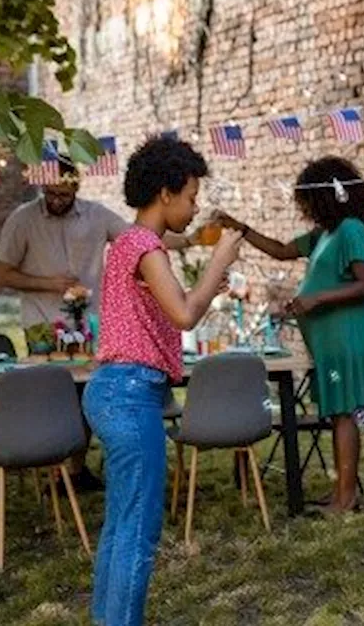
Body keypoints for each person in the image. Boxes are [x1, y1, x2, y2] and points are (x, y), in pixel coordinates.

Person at [82, 136, 243, 626]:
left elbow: (173, 271)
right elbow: (185, 315)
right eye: (192, 196)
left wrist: (203, 254)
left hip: (116, 391)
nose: (195, 207)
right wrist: (220, 260)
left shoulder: (131, 241)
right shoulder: (144, 247)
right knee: (139, 530)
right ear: (166, 193)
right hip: (131, 396)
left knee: (122, 524)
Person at [0, 156, 196, 492]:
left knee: (86, 389)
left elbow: (143, 237)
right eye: (51, 193)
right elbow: (3, 274)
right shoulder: (22, 220)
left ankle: (74, 470)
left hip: (90, 321)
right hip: (44, 324)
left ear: (77, 186)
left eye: (65, 194)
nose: (58, 200)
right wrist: (51, 283)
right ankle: (52, 466)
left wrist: (191, 238)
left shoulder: (97, 215)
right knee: (55, 396)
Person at [214, 156, 364, 514]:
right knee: (338, 413)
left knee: (345, 413)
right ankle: (341, 490)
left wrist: (317, 297)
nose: (303, 207)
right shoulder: (325, 234)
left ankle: (346, 497)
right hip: (330, 341)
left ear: (324, 196)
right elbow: (279, 250)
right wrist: (239, 228)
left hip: (348, 339)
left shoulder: (352, 229)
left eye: (306, 199)